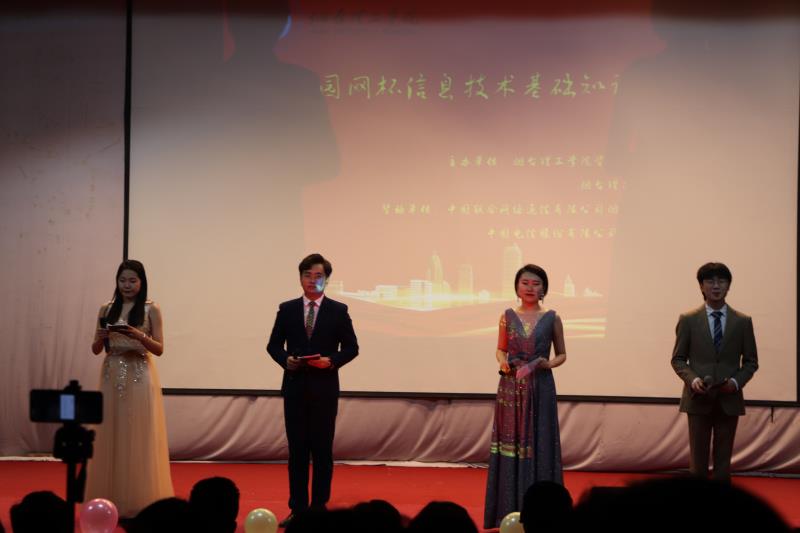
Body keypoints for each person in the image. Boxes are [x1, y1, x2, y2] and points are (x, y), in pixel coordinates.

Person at [267, 253, 359, 527]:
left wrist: (331, 361)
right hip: (295, 389)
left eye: (318, 276)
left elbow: (352, 348)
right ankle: (297, 510)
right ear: (300, 278)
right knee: (297, 453)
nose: (312, 280)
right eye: (307, 275)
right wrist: (286, 360)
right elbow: (273, 346)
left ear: (326, 280)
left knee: (321, 452)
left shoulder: (338, 311)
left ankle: (319, 510)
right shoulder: (287, 309)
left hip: (324, 391)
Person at [85, 259, 174, 517]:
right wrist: (100, 338)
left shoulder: (151, 308)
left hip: (139, 373)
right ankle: (110, 498)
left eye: (132, 280)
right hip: (111, 373)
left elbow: (159, 349)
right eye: (122, 280)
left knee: (138, 434)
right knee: (110, 433)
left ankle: (140, 500)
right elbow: (96, 350)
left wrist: (138, 335)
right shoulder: (106, 308)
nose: (127, 285)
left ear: (141, 282)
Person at [483, 264, 567, 529]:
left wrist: (546, 364)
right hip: (511, 386)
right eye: (525, 283)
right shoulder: (507, 316)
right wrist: (502, 362)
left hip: (541, 386)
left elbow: (562, 354)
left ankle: (543, 513)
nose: (530, 288)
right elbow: (500, 349)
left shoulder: (552, 318)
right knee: (512, 441)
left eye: (536, 283)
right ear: (517, 288)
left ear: (544, 289)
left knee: (540, 440)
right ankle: (507, 506)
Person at [671, 262, 758, 481]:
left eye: (722, 281)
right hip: (697, 398)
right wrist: (693, 380)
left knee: (723, 465)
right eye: (710, 281)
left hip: (729, 399)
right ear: (701, 286)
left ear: (729, 286)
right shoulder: (688, 320)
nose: (716, 286)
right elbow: (678, 359)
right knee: (697, 465)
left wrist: (735, 383)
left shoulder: (743, 322)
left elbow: (751, 362)